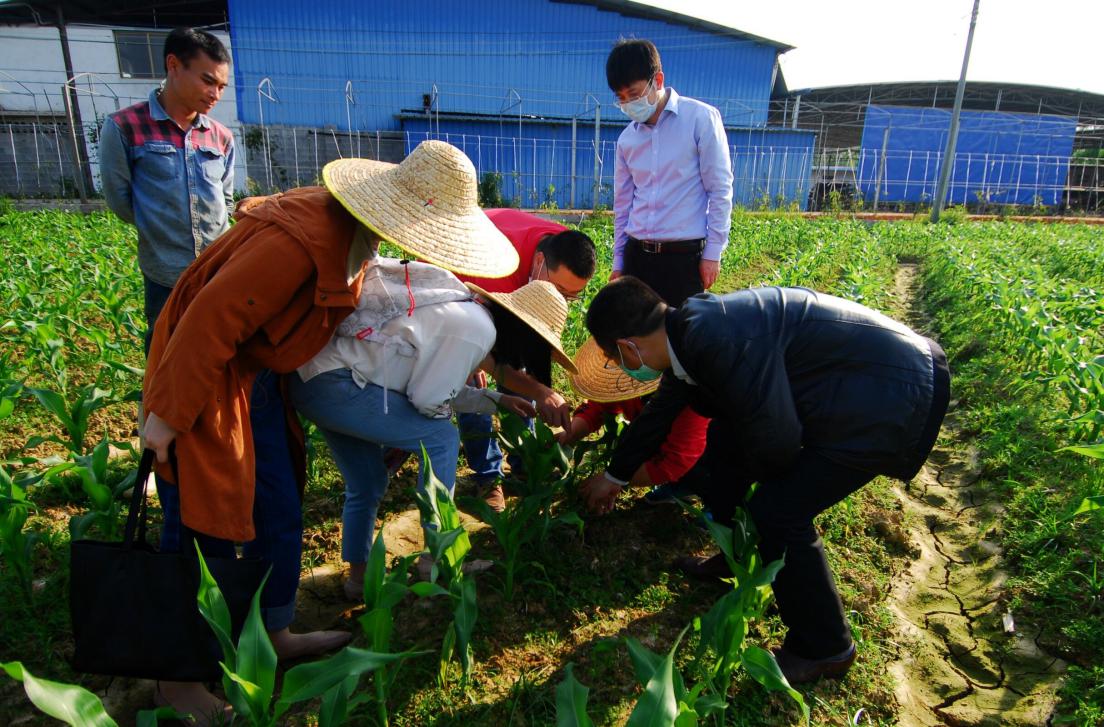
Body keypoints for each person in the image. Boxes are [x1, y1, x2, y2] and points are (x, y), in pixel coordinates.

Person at [140, 140, 520, 724]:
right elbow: (214, 315)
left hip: (260, 377)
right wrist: (168, 412)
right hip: (206, 379)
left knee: (278, 506)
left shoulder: (351, 232)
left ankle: (275, 629)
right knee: (199, 523)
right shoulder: (303, 238)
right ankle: (176, 680)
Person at [580, 278, 950, 684]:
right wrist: (615, 475)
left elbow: (777, 439)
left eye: (613, 357)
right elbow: (660, 414)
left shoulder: (714, 339)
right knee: (722, 447)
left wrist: (764, 504)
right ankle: (737, 556)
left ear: (629, 346)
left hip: (891, 394)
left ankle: (825, 648)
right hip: (864, 382)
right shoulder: (690, 333)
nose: (618, 366)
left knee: (779, 511)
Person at [290, 270, 576, 599]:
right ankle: (437, 559)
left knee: (367, 482)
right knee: (442, 439)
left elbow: (434, 388)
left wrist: (497, 400)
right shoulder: (477, 331)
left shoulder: (467, 314)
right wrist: (432, 421)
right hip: (341, 384)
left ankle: (359, 580)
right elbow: (429, 401)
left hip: (317, 379)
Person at [99, 27, 234, 354]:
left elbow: (226, 201)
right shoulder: (124, 127)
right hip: (166, 276)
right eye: (207, 81)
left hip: (217, 272)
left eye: (221, 86)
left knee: (221, 357)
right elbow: (121, 201)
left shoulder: (221, 137)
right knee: (166, 357)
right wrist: (164, 232)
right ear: (173, 65)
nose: (215, 93)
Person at [454, 209, 597, 509]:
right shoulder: (494, 262)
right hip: (461, 292)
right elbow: (465, 333)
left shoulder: (564, 247)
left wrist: (541, 390)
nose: (563, 299)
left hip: (512, 283)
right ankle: (487, 476)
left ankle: (524, 460)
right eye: (559, 291)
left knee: (520, 372)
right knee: (469, 380)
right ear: (540, 262)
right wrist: (474, 360)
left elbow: (529, 349)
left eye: (571, 296)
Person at [605, 38, 733, 307]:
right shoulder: (627, 140)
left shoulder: (700, 119)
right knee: (637, 341)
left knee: (682, 338)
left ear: (658, 79)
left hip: (683, 260)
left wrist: (713, 253)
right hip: (637, 257)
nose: (629, 103)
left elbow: (719, 189)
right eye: (621, 98)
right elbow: (623, 204)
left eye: (634, 93)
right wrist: (619, 260)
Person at [555, 336, 709, 502]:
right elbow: (599, 407)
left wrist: (614, 481)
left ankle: (710, 500)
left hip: (710, 451)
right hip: (664, 441)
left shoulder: (689, 395)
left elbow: (677, 458)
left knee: (716, 470)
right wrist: (570, 433)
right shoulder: (630, 374)